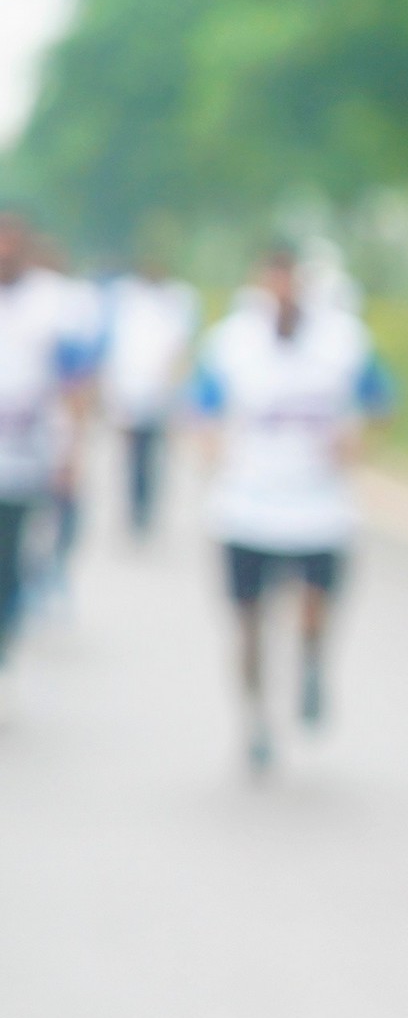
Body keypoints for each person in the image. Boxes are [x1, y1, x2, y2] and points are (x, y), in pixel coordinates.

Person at [193, 241, 392, 775]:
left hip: (319, 506)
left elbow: (381, 401)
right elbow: (200, 409)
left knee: (316, 608)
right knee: (249, 624)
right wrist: (211, 446)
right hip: (247, 506)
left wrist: (358, 440)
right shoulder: (230, 344)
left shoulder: (345, 342)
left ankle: (311, 665)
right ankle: (255, 719)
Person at [0, 211, 98, 715]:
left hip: (23, 460)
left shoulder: (52, 305)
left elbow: (74, 384)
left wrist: (71, 450)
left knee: (10, 562)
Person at [102, 236, 203, 540]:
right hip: (130, 389)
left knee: (155, 455)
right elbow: (115, 345)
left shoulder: (178, 298)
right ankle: (134, 509)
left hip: (161, 391)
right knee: (133, 455)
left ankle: (147, 509)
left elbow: (183, 346)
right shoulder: (125, 296)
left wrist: (177, 385)